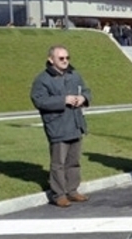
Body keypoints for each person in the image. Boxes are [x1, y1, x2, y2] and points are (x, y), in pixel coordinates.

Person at [30, 45, 92, 207]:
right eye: (61, 58)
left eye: (67, 58)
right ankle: (59, 194)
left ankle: (72, 191)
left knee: (74, 161)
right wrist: (63, 100)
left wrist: (83, 98)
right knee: (58, 163)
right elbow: (39, 100)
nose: (65, 61)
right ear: (51, 60)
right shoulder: (42, 79)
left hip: (75, 123)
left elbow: (86, 90)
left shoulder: (74, 74)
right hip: (57, 126)